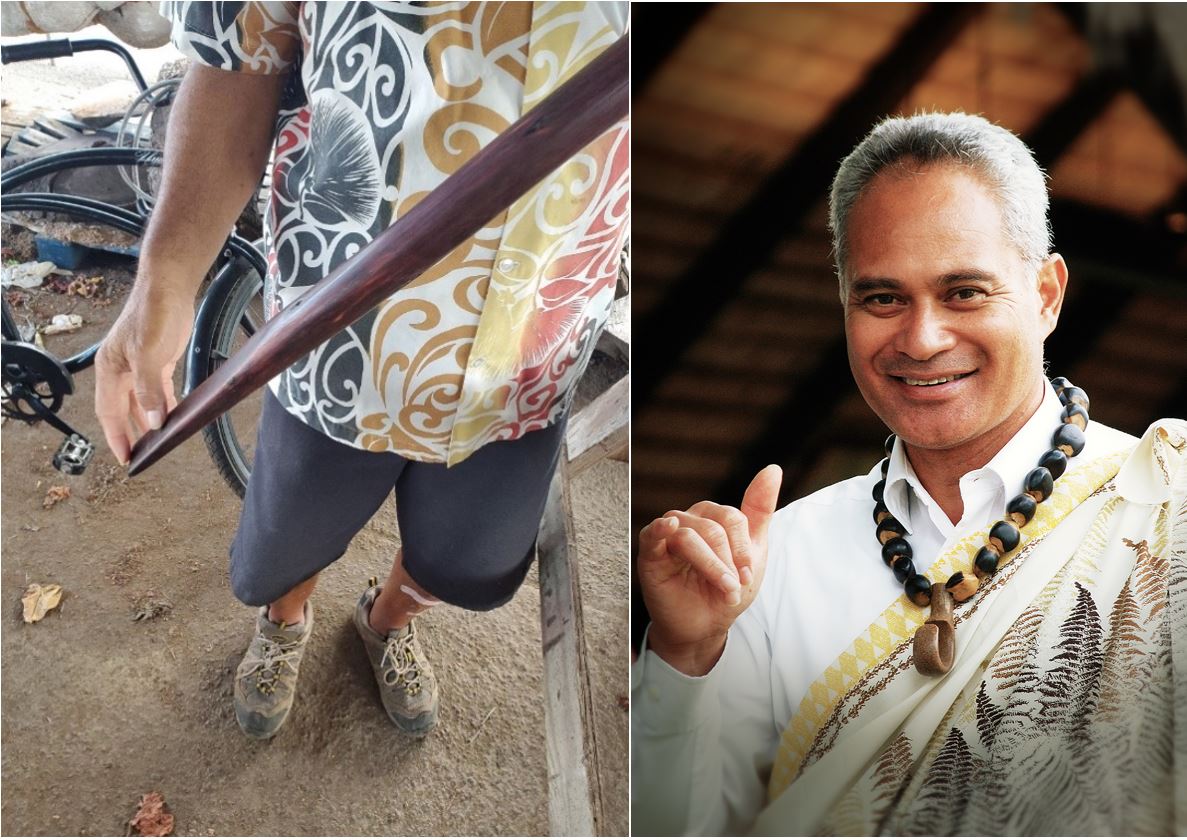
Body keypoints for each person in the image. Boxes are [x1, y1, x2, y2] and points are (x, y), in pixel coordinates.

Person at [632, 112, 1186, 835]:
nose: (921, 340)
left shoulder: (1163, 510)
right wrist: (685, 656)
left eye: (964, 293)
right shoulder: (772, 562)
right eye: (882, 298)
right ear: (844, 304)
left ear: (1045, 295)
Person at [94, 1, 628, 740]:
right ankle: (285, 619)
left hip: (536, 348)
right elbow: (235, 61)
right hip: (333, 337)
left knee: (463, 561)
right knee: (286, 541)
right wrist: (164, 281)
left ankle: (385, 621)